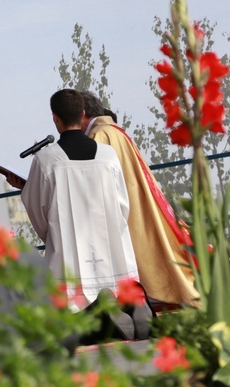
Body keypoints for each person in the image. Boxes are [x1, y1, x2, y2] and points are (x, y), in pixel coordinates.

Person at [17, 89, 140, 312]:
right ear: (82, 112)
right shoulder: (108, 155)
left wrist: (53, 232)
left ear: (55, 118)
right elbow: (123, 205)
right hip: (110, 245)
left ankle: (94, 316)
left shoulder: (46, 159)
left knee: (73, 311)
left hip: (69, 247)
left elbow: (36, 207)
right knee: (119, 294)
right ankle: (124, 309)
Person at [80, 91, 198, 306]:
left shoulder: (98, 136)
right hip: (132, 201)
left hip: (123, 210)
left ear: (82, 113)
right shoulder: (114, 131)